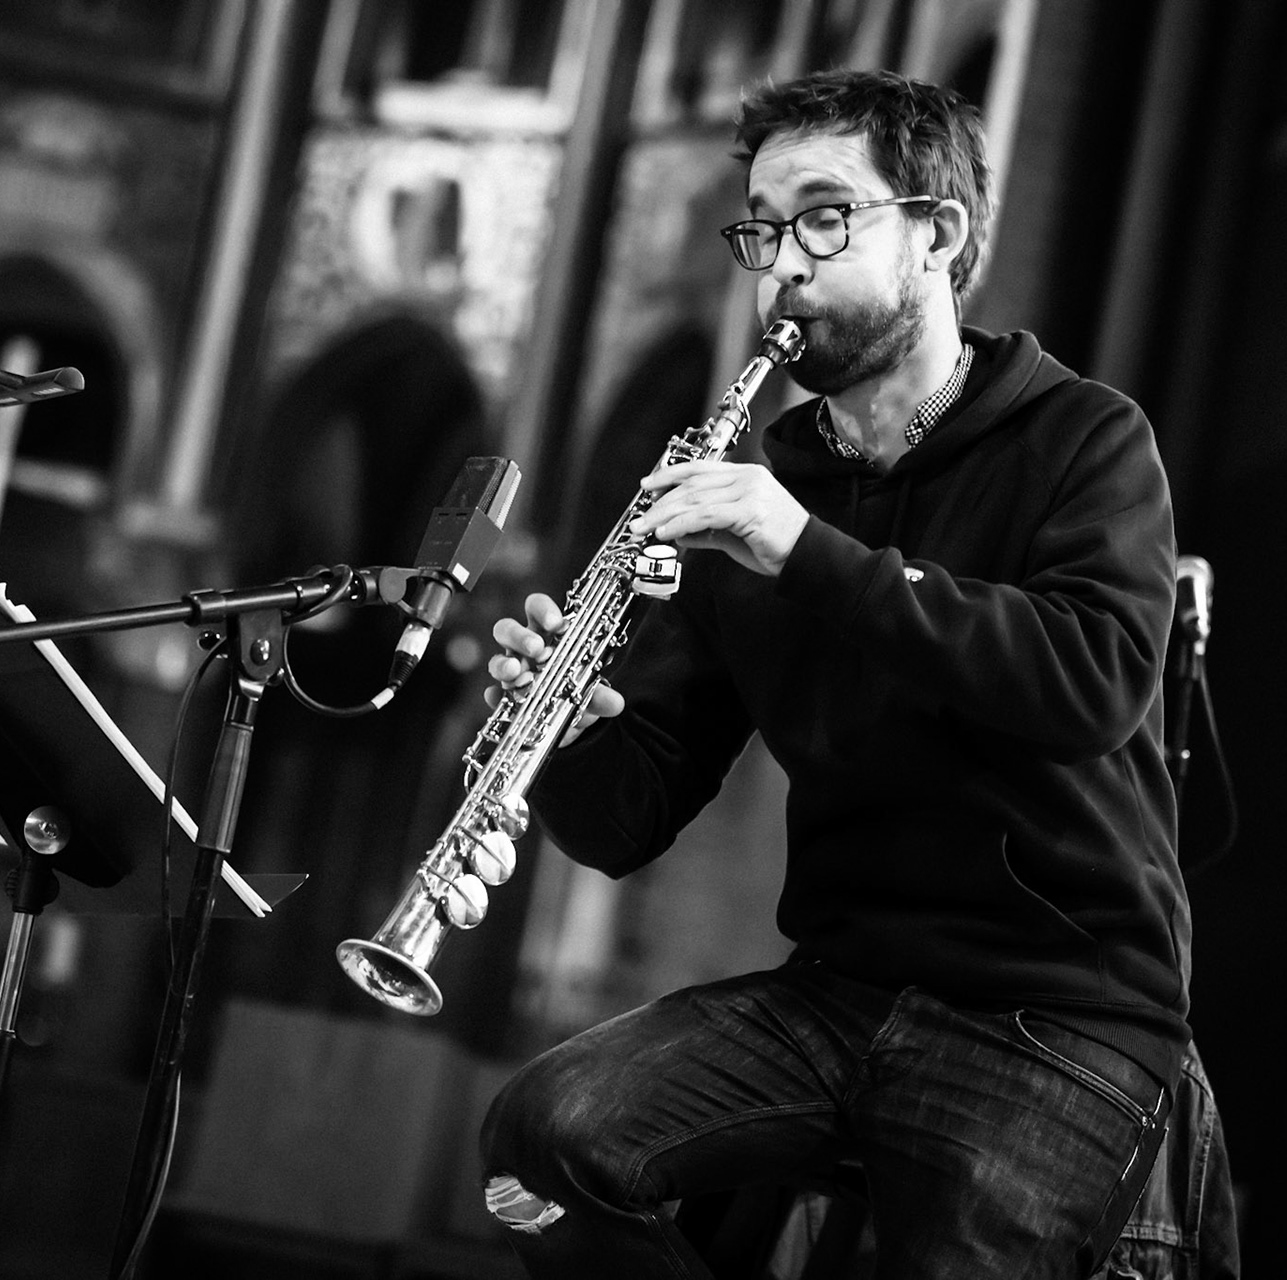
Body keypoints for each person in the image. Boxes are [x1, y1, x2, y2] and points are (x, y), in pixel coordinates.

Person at [478, 68, 1191, 1278]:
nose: (781, 265)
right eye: (763, 226)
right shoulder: (759, 491)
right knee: (540, 1143)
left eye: (824, 216)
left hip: (1056, 1007)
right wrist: (560, 731)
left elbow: (1090, 681)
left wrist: (806, 552)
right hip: (841, 992)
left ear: (936, 234)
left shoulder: (1087, 438)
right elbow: (627, 817)